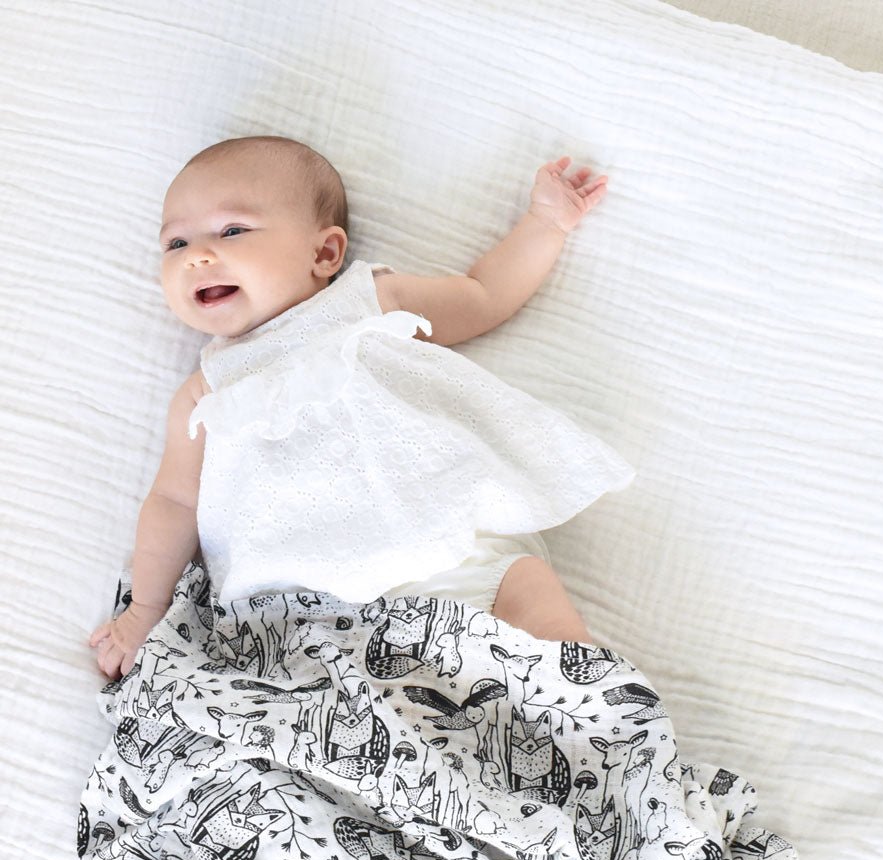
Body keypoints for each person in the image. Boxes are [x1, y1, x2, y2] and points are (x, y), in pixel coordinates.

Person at [88, 135, 634, 681]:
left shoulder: (365, 302)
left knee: (533, 599)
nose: (198, 256)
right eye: (175, 244)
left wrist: (546, 223)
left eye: (232, 230)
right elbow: (174, 502)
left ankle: (592, 736)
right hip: (311, 614)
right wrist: (145, 612)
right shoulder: (206, 390)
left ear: (324, 253)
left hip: (448, 555)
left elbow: (483, 295)